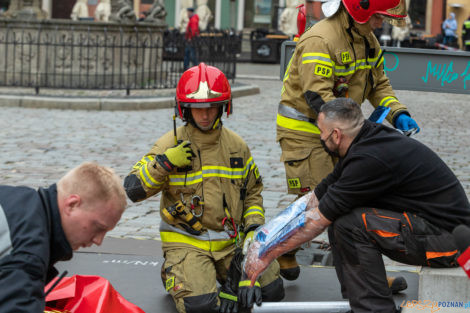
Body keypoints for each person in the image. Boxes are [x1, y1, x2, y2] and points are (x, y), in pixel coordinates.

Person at [241, 97, 470, 312]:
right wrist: (263, 240)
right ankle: (363, 291)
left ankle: (375, 307)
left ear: (336, 135)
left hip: (451, 242)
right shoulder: (364, 140)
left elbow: (317, 220)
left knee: (349, 223)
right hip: (429, 228)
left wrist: (264, 257)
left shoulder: (368, 160)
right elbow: (315, 198)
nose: (320, 138)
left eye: (321, 132)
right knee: (342, 217)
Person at [275, 0, 419, 287]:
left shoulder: (367, 39)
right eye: (378, 17)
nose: (381, 24)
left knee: (351, 200)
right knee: (320, 202)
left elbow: (379, 85)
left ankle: (364, 277)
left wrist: (398, 113)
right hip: (306, 132)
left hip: (340, 132)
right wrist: (354, 133)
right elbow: (319, 98)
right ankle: (265, 251)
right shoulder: (320, 40)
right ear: (360, 11)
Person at [124, 63, 284, 313]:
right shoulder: (169, 144)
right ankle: (173, 271)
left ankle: (214, 273)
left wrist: (253, 228)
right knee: (201, 307)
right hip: (188, 241)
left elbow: (253, 192)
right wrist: (164, 163)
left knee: (272, 293)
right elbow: (133, 189)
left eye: (212, 107)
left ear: (224, 107)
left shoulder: (236, 146)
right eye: (198, 109)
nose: (206, 115)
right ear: (184, 109)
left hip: (232, 244)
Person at [0, 162, 127, 313]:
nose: (98, 241)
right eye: (98, 227)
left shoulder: (16, 199)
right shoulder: (28, 253)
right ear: (72, 204)